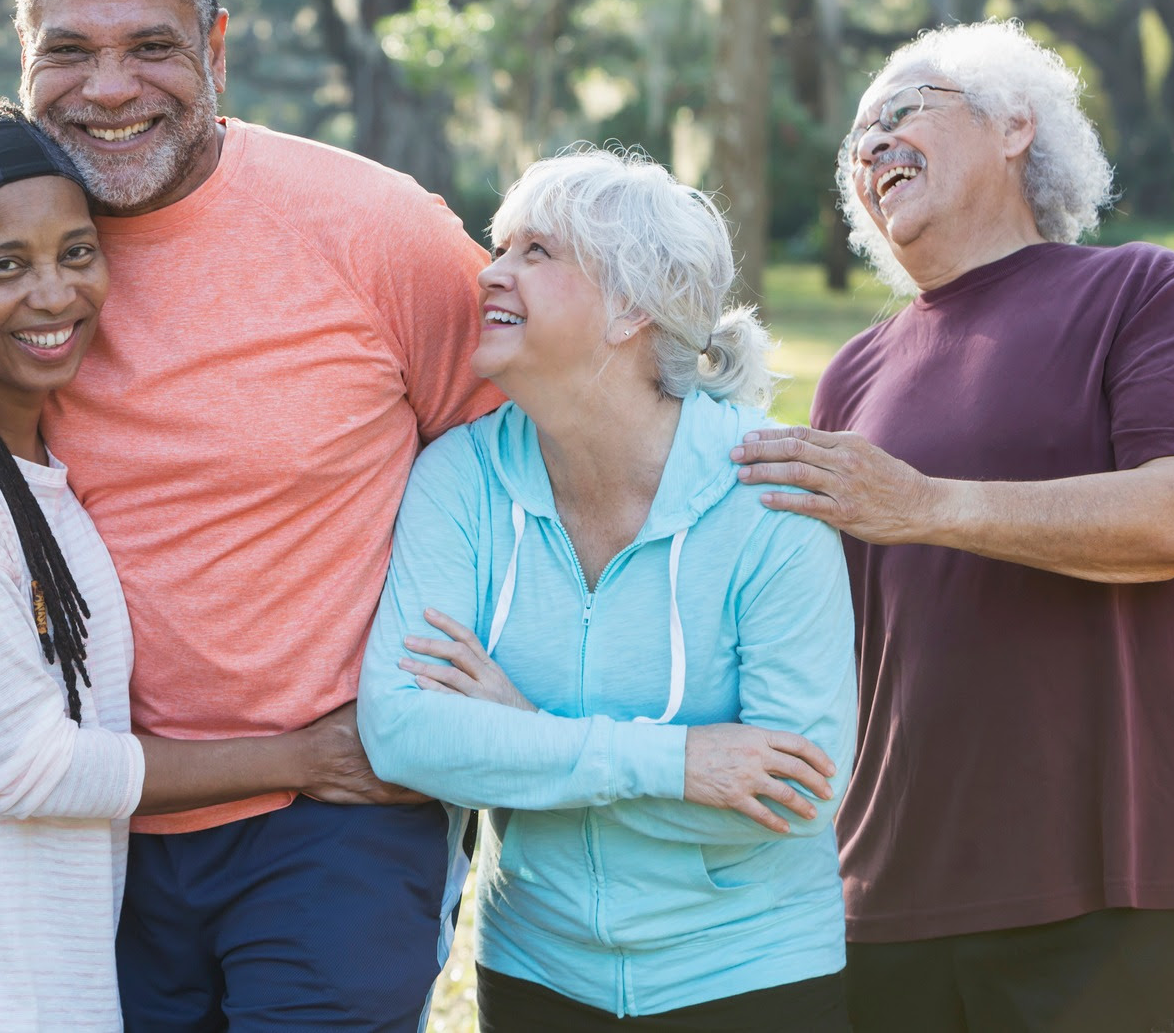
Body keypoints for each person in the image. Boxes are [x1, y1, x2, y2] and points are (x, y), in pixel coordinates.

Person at [0, 0, 821, 1029]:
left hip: (341, 809)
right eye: (68, 51)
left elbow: (558, 418)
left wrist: (551, 708)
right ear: (25, 61)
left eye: (151, 47)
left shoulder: (372, 229)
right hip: (95, 839)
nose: (108, 87)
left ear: (216, 48)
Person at [0, 101, 411, 1030]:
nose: (54, 294)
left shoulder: (25, 461)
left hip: (12, 958)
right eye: (5, 267)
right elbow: (30, 768)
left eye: (76, 252)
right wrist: (304, 757)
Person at [731, 20, 1174, 1033]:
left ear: (1015, 122)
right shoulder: (854, 370)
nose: (873, 147)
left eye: (902, 110)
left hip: (1107, 887)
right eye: (858, 142)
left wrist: (929, 504)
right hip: (878, 901)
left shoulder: (1142, 291)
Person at [359, 149, 857, 1033]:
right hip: (535, 967)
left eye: (536, 253)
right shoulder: (459, 477)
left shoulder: (768, 493)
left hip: (751, 971)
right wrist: (679, 763)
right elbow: (402, 733)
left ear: (633, 307)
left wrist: (521, 733)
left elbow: (794, 793)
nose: (491, 272)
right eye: (498, 246)